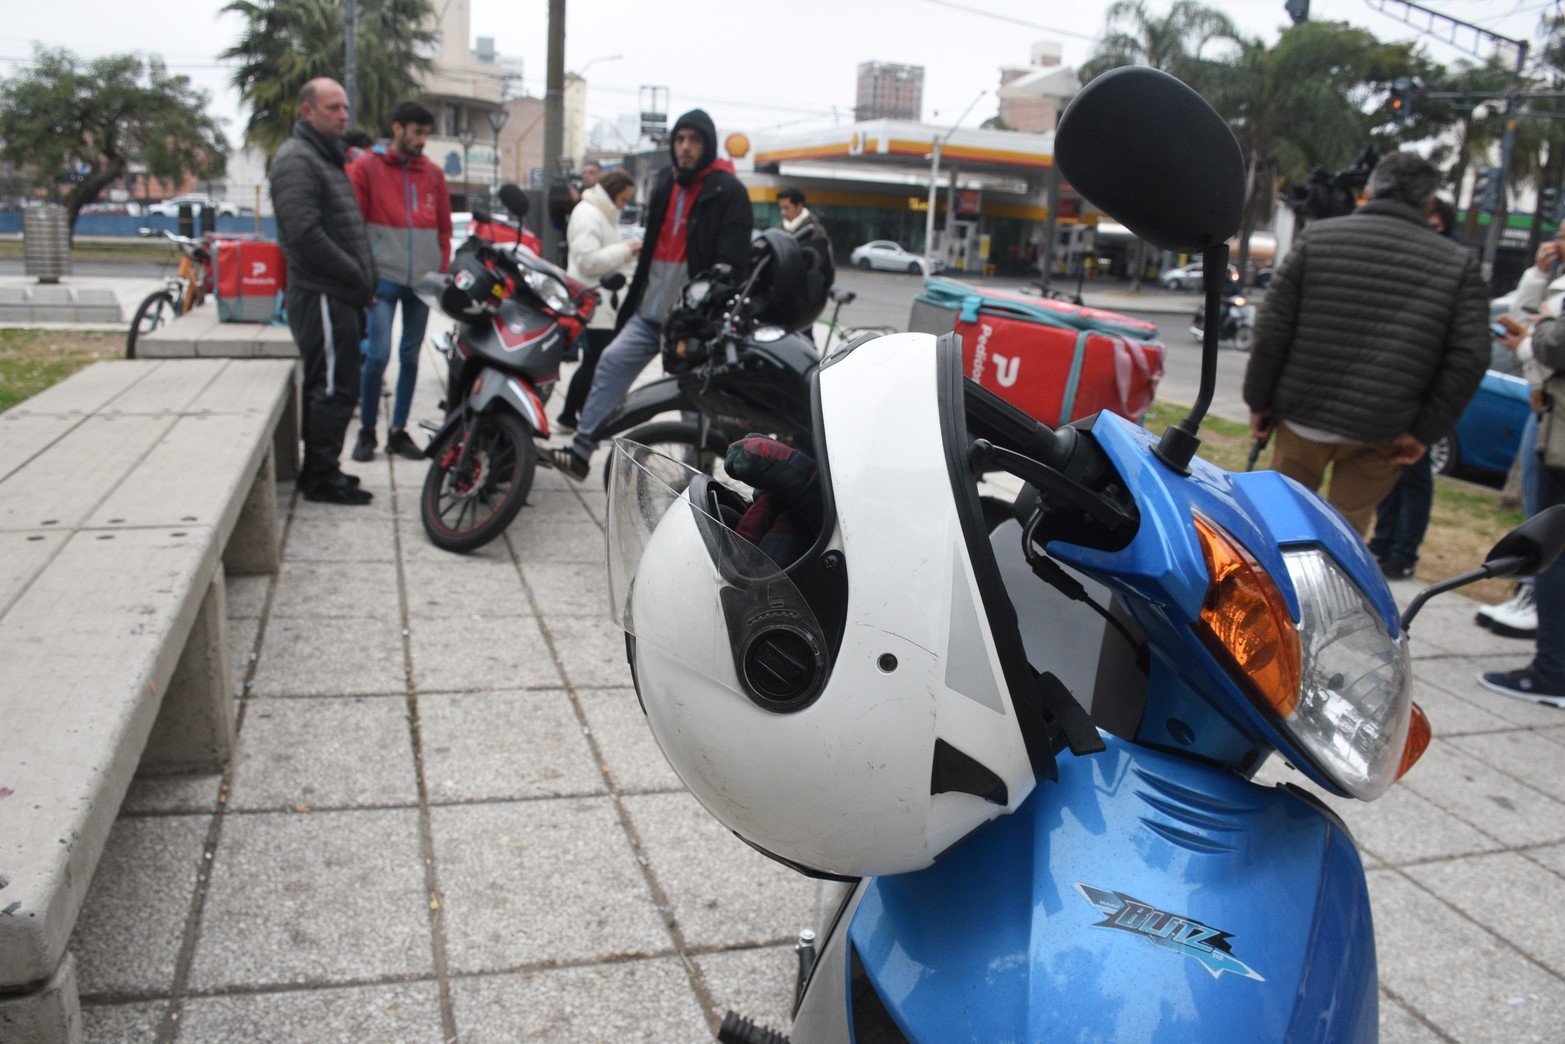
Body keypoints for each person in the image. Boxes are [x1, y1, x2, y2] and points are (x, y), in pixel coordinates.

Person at [1243, 152, 1489, 536]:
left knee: (1277, 527)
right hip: (1384, 428)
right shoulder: (1457, 264)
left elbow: (1273, 329)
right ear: (1427, 202)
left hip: (1302, 413)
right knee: (1344, 538)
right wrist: (1425, 430)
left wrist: (1259, 400)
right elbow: (1470, 358)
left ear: (1371, 189)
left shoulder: (1317, 239)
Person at [548, 109, 752, 480]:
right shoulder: (664, 184)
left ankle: (696, 476)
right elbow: (649, 253)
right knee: (611, 361)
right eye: (679, 139)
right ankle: (580, 451)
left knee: (693, 402)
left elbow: (732, 265)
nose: (685, 148)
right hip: (648, 311)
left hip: (693, 324)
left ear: (707, 145)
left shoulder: (728, 191)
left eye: (694, 140)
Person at [270, 77, 377, 505]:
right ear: (307, 111)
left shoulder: (324, 158)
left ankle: (324, 468)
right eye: (333, 107)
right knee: (333, 387)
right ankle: (320, 477)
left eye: (345, 107)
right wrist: (354, 274)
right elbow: (304, 234)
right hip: (322, 293)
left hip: (337, 294)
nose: (343, 115)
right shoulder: (297, 160)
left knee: (336, 384)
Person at [346, 100, 452, 462]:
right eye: (417, 132)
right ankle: (366, 431)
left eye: (426, 133)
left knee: (410, 356)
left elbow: (443, 228)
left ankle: (397, 431)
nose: (423, 140)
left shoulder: (434, 175)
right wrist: (365, 278)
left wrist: (439, 271)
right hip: (382, 280)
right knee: (377, 356)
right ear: (397, 128)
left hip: (421, 284)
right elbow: (354, 228)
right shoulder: (366, 167)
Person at [1367, 195, 1461, 578]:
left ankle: (1403, 553)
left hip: (1421, 394)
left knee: (1414, 477)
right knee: (1387, 474)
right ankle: (1383, 543)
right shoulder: (1416, 258)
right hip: (1393, 387)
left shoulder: (1451, 265)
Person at [558, 167, 641, 431]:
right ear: (614, 192)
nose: (624, 205)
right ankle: (574, 417)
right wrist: (626, 249)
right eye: (624, 199)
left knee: (594, 364)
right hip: (593, 303)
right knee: (594, 364)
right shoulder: (589, 214)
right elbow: (588, 261)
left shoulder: (600, 213)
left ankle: (574, 416)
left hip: (599, 303)